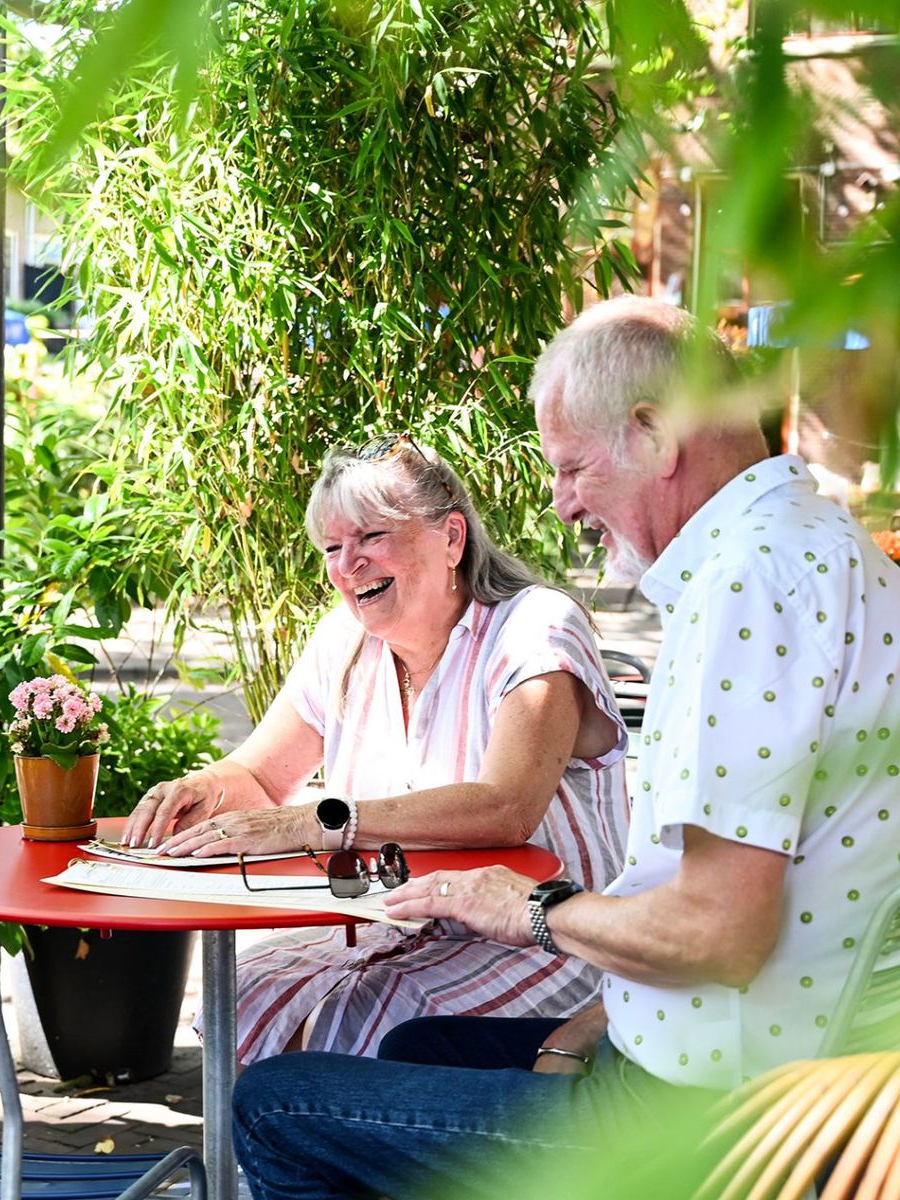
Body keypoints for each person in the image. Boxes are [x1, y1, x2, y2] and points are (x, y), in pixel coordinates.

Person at [229, 296, 900, 1200]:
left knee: (275, 1105)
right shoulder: (813, 544)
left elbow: (719, 931)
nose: (562, 502)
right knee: (413, 1050)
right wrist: (599, 1017)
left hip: (712, 1119)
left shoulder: (750, 581)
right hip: (750, 1068)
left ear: (656, 435)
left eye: (575, 467)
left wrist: (534, 908)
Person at [123, 434, 629, 1062]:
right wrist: (201, 789)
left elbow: (506, 807)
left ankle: (337, 1158)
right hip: (398, 932)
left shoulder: (534, 628)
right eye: (333, 548)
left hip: (543, 938)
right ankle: (269, 1164)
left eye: (371, 538)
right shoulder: (345, 641)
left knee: (356, 1024)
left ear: (451, 538)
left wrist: (321, 821)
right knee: (245, 993)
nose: (347, 565)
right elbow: (259, 775)